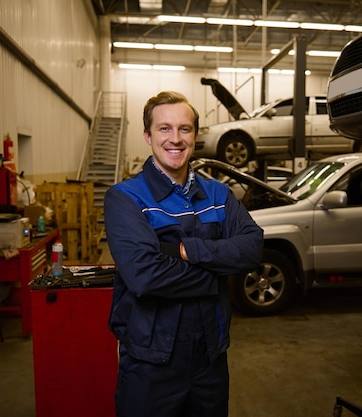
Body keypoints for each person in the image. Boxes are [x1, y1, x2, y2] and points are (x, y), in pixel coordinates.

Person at [104, 91, 264, 417]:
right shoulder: (125, 198)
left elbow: (252, 248)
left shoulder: (218, 194)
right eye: (164, 129)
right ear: (148, 136)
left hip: (211, 358)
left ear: (195, 135)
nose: (175, 139)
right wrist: (217, 270)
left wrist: (184, 250)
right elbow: (144, 277)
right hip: (151, 360)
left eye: (184, 129)